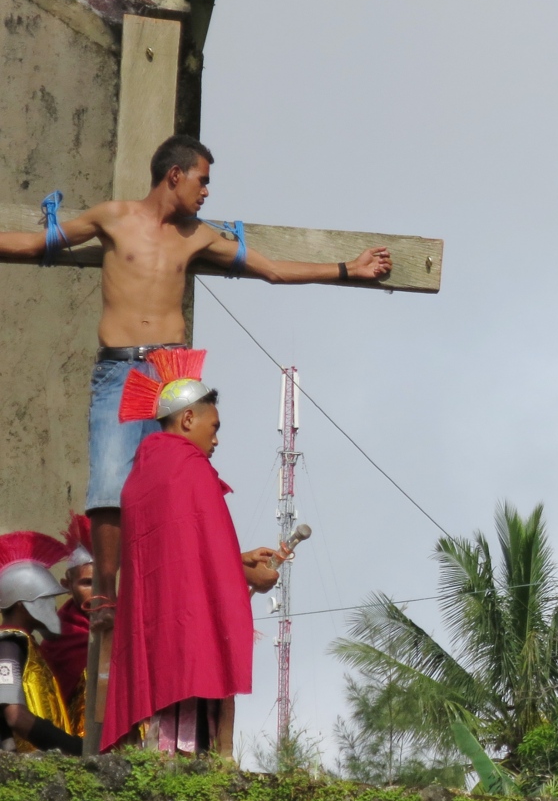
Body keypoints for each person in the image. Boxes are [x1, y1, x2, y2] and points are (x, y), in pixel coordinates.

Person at [0, 134, 388, 646]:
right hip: (121, 370)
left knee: (179, 490)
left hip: (173, 373)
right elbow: (36, 242)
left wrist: (347, 270)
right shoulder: (112, 217)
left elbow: (271, 269)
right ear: (175, 175)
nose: (207, 192)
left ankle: (174, 587)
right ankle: (108, 597)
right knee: (111, 486)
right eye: (202, 180)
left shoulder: (198, 235)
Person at [100, 349, 283, 754]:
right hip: (188, 644)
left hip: (152, 638)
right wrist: (251, 575)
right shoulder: (192, 469)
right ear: (187, 419)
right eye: (213, 427)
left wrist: (237, 559)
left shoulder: (140, 478)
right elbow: (204, 565)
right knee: (192, 756)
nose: (215, 440)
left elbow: (175, 558)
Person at [0, 531, 82, 755]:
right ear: (21, 604)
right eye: (45, 599)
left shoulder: (25, 643)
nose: (53, 607)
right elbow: (15, 715)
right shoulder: (8, 646)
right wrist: (72, 747)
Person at [37, 515, 94, 735]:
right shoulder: (59, 634)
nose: (95, 590)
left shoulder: (122, 625)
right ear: (67, 585)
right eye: (87, 583)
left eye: (101, 581)